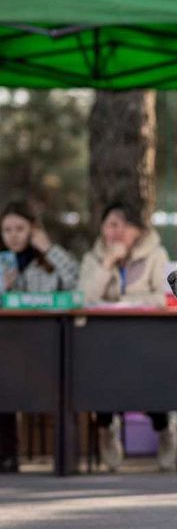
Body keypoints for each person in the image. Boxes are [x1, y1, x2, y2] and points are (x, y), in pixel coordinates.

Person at [79, 202, 177, 472]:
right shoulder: (93, 257)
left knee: (151, 378)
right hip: (105, 344)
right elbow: (83, 299)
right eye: (110, 225)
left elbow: (163, 297)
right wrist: (108, 263)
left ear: (137, 230)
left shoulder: (156, 255)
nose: (115, 232)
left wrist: (123, 302)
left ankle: (164, 429)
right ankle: (107, 429)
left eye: (122, 225)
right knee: (101, 377)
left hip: (145, 340)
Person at [0, 201, 79, 473]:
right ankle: (7, 455)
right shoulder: (2, 263)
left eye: (20, 228)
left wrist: (49, 249)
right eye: (7, 229)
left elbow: (76, 280)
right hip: (9, 347)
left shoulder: (48, 261)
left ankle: (63, 457)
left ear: (33, 230)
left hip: (44, 346)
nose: (13, 235)